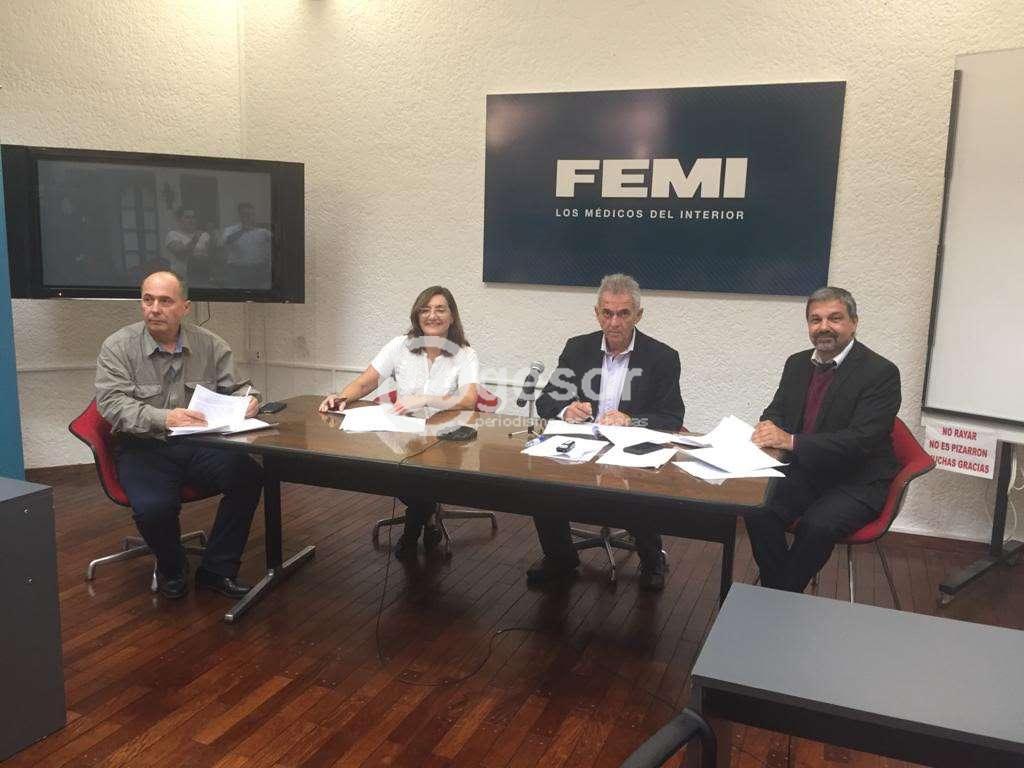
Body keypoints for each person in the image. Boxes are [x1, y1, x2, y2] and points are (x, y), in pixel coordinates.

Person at [95, 270, 263, 600]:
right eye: (147, 300)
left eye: (165, 301)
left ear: (185, 307)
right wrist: (164, 417)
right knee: (153, 508)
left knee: (249, 477)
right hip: (144, 446)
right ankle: (172, 567)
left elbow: (239, 387)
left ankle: (217, 570)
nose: (154, 309)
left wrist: (249, 400)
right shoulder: (118, 346)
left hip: (199, 444)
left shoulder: (210, 344)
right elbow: (112, 405)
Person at [529, 273, 685, 591]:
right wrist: (566, 410)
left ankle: (652, 559)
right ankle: (561, 557)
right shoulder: (578, 348)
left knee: (639, 485)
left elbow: (671, 417)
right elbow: (546, 401)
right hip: (584, 444)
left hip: (631, 447)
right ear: (597, 313)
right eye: (607, 313)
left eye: (623, 313)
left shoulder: (662, 357)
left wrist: (632, 421)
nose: (614, 322)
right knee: (541, 482)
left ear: (638, 315)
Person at [746, 286, 901, 593]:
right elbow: (778, 410)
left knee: (816, 525)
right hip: (807, 472)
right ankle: (781, 596)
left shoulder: (880, 372)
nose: (824, 327)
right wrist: (767, 428)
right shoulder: (796, 363)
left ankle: (777, 599)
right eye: (815, 320)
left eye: (835, 318)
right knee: (757, 507)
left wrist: (791, 441)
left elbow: (861, 440)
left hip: (858, 479)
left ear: (854, 323)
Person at [319, 286, 479, 559]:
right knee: (398, 473)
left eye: (440, 309)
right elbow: (366, 382)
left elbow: (469, 399)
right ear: (416, 315)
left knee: (423, 475)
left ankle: (412, 530)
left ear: (452, 316)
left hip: (444, 439)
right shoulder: (400, 346)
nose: (432, 315)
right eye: (425, 310)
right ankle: (427, 515)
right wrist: (341, 397)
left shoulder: (464, 354)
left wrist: (426, 399)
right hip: (404, 433)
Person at [221, 202, 272, 290]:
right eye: (245, 214)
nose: (249, 217)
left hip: (257, 269)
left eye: (251, 214)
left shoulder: (263, 231)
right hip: (236, 270)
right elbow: (227, 241)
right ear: (239, 216)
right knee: (234, 294)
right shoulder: (230, 230)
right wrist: (243, 230)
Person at [165, 207, 210, 284]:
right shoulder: (172, 235)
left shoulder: (205, 235)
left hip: (201, 278)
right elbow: (180, 253)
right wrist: (195, 239)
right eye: (187, 217)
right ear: (179, 220)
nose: (191, 221)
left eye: (193, 217)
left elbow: (210, 256)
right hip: (179, 279)